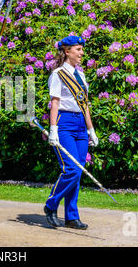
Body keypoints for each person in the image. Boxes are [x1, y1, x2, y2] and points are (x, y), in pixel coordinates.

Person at [44, 36, 99, 230]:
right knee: (72, 169)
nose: (81, 53)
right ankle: (51, 206)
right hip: (64, 122)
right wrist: (53, 129)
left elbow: (85, 106)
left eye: (81, 49)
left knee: (78, 172)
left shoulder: (81, 76)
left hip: (80, 125)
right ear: (67, 51)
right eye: (78, 49)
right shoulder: (58, 74)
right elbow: (55, 103)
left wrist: (91, 130)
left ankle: (71, 216)